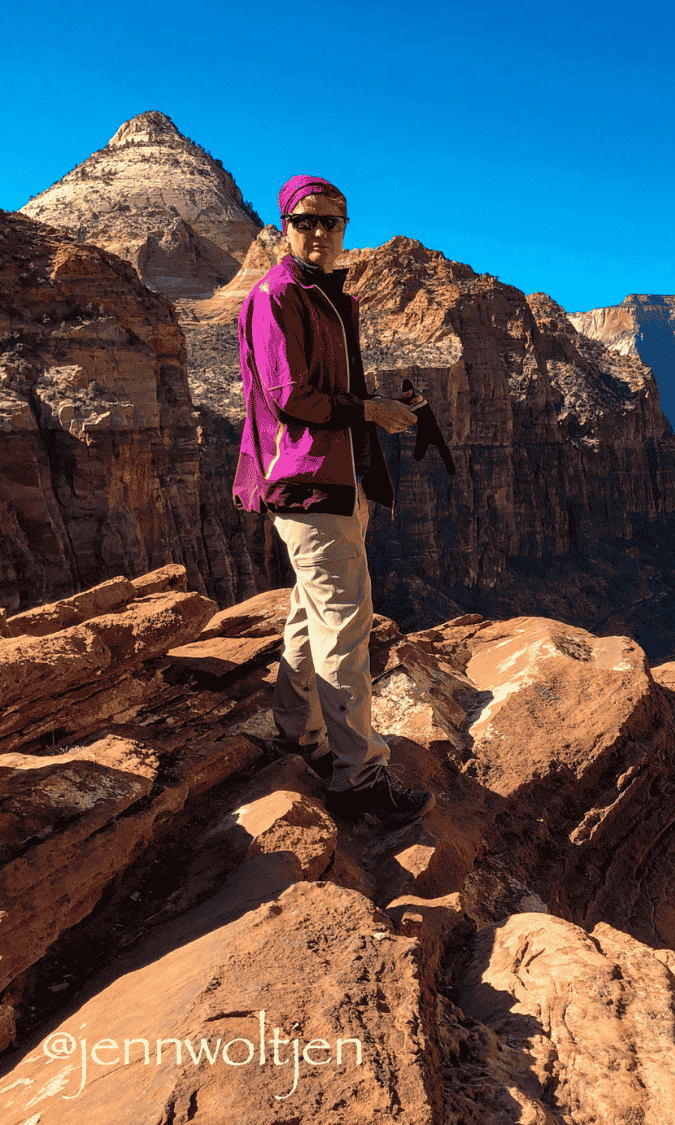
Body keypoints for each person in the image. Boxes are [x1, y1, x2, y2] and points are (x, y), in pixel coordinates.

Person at [232, 174, 434, 828]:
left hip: (338, 478)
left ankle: (297, 730)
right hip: (309, 479)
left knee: (311, 609)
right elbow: (292, 395)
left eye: (332, 222)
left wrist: (384, 411)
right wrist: (370, 410)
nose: (319, 232)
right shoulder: (278, 295)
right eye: (306, 220)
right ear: (284, 225)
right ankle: (359, 775)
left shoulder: (320, 294)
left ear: (344, 228)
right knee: (345, 624)